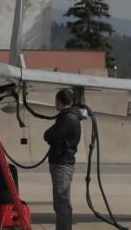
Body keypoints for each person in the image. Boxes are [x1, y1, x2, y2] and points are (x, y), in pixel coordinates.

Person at [43, 89, 85, 230]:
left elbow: (51, 135)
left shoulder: (68, 118)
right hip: (62, 161)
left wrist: (49, 136)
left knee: (61, 202)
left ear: (59, 101)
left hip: (62, 163)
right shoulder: (68, 116)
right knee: (61, 201)